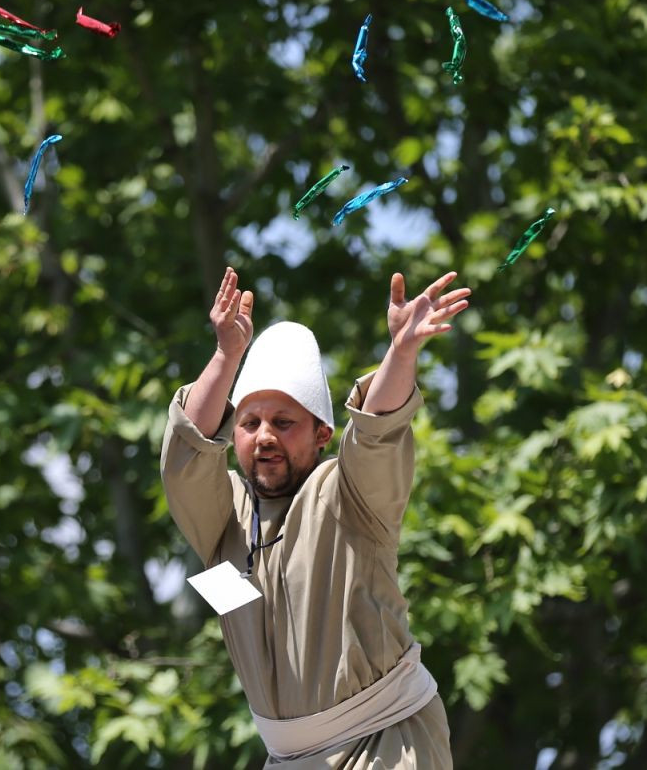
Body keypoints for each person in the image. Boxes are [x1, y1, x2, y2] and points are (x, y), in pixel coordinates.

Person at [160, 266, 471, 768]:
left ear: (322, 432)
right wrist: (225, 355)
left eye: (284, 423)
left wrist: (402, 353)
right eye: (249, 423)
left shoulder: (348, 495)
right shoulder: (226, 522)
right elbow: (187, 456)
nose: (264, 437)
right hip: (288, 758)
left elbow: (378, 433)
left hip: (384, 744)